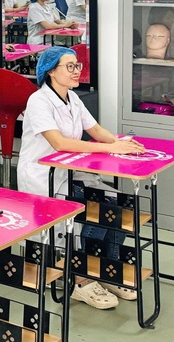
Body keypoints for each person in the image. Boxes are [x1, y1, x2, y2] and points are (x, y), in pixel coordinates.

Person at [17, 46, 145, 310]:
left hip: (69, 172)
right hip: (43, 176)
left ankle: (107, 270)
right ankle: (82, 279)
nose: (76, 71)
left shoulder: (73, 98)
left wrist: (122, 142)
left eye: (77, 66)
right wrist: (111, 148)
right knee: (94, 209)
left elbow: (95, 129)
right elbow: (60, 143)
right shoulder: (38, 101)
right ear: (51, 71)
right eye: (70, 66)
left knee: (116, 203)